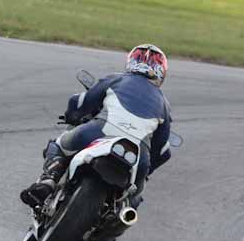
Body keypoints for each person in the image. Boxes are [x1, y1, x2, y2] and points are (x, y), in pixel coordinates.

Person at [20, 44, 172, 212]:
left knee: (59, 145)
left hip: (98, 131)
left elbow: (81, 102)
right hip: (138, 154)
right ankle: (120, 218)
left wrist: (73, 116)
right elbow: (162, 149)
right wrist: (147, 169)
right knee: (135, 194)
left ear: (131, 62)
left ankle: (48, 180)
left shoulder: (117, 79)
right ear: (161, 72)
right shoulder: (164, 104)